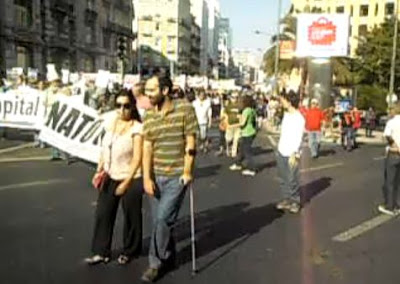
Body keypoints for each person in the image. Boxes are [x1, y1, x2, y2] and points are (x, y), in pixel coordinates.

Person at [141, 73, 198, 282]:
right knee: (159, 222)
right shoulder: (148, 115)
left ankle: (155, 263)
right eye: (146, 90)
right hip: (156, 175)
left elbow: (191, 142)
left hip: (176, 176)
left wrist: (187, 170)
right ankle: (170, 255)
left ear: (165, 91)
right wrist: (146, 178)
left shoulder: (184, 109)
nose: (148, 94)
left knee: (163, 219)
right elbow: (147, 147)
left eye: (152, 90)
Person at [85, 90, 144, 265]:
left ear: (132, 107)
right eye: (118, 105)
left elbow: (137, 158)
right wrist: (99, 169)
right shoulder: (111, 123)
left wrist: (126, 183)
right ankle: (101, 251)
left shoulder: (137, 128)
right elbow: (105, 149)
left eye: (126, 106)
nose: (122, 109)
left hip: (131, 176)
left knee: (131, 216)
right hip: (110, 174)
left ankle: (130, 250)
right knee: (103, 213)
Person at [275, 90, 305, 214]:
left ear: (290, 101)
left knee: (292, 178)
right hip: (282, 149)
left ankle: (295, 201)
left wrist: (295, 153)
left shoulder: (299, 118)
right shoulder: (286, 115)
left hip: (293, 152)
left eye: (283, 100)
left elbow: (299, 137)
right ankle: (286, 199)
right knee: (283, 177)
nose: (281, 103)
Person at [379, 104, 400, 215]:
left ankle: (390, 206)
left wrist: (394, 144)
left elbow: (387, 135)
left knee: (390, 180)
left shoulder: (391, 122)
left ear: (394, 111)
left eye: (390, 110)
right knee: (397, 181)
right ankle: (396, 204)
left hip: (393, 153)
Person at [229, 95, 258, 176]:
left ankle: (252, 168)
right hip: (250, 132)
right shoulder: (252, 110)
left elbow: (242, 123)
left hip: (247, 133)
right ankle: (238, 164)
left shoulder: (246, 111)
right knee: (242, 149)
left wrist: (231, 125)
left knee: (247, 152)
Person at [223, 92, 241, 157]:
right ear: (230, 98)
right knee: (228, 139)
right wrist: (226, 123)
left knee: (236, 140)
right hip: (229, 125)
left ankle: (234, 153)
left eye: (236, 97)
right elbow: (225, 115)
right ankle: (228, 147)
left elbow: (241, 115)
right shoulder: (228, 106)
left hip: (237, 126)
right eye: (233, 97)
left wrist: (240, 122)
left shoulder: (240, 106)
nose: (235, 99)